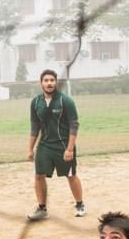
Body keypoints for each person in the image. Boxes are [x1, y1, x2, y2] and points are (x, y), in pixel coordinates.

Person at [27, 69, 85, 220]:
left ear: (56, 82)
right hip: (45, 146)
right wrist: (30, 149)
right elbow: (34, 127)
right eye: (46, 80)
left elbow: (74, 125)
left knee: (71, 175)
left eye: (52, 80)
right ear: (41, 83)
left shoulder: (65, 101)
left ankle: (80, 204)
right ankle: (42, 209)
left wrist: (70, 149)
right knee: (39, 175)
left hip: (63, 146)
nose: (49, 83)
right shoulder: (36, 102)